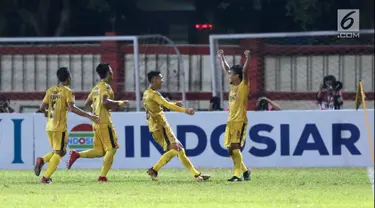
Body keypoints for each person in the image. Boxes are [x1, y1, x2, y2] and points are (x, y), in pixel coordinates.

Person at [34, 67, 100, 184]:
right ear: (69, 77)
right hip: (59, 127)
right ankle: (46, 178)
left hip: (49, 126)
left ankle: (42, 160)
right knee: (59, 153)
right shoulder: (67, 91)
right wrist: (90, 116)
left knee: (60, 151)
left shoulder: (50, 90)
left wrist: (46, 114)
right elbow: (72, 108)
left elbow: (41, 108)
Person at [66, 63, 129, 182]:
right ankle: (102, 177)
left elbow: (86, 104)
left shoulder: (95, 88)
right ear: (108, 73)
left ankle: (77, 154)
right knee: (112, 148)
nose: (112, 73)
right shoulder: (106, 87)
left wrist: (93, 115)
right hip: (104, 122)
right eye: (111, 70)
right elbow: (105, 101)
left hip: (96, 123)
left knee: (100, 151)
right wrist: (120, 103)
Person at [143, 71, 210, 182]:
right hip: (160, 127)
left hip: (157, 127)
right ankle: (154, 169)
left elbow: (162, 103)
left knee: (180, 150)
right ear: (154, 80)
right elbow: (167, 105)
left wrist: (173, 103)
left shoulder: (147, 93)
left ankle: (197, 175)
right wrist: (185, 110)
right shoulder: (154, 94)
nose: (162, 81)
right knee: (176, 149)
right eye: (160, 78)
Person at [218, 49, 251, 182]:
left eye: (231, 74)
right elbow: (226, 68)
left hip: (240, 121)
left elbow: (245, 72)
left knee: (234, 147)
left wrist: (248, 58)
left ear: (237, 76)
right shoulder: (233, 86)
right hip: (231, 121)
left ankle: (237, 175)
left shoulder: (244, 85)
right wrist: (222, 57)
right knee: (230, 150)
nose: (229, 76)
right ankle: (245, 171)